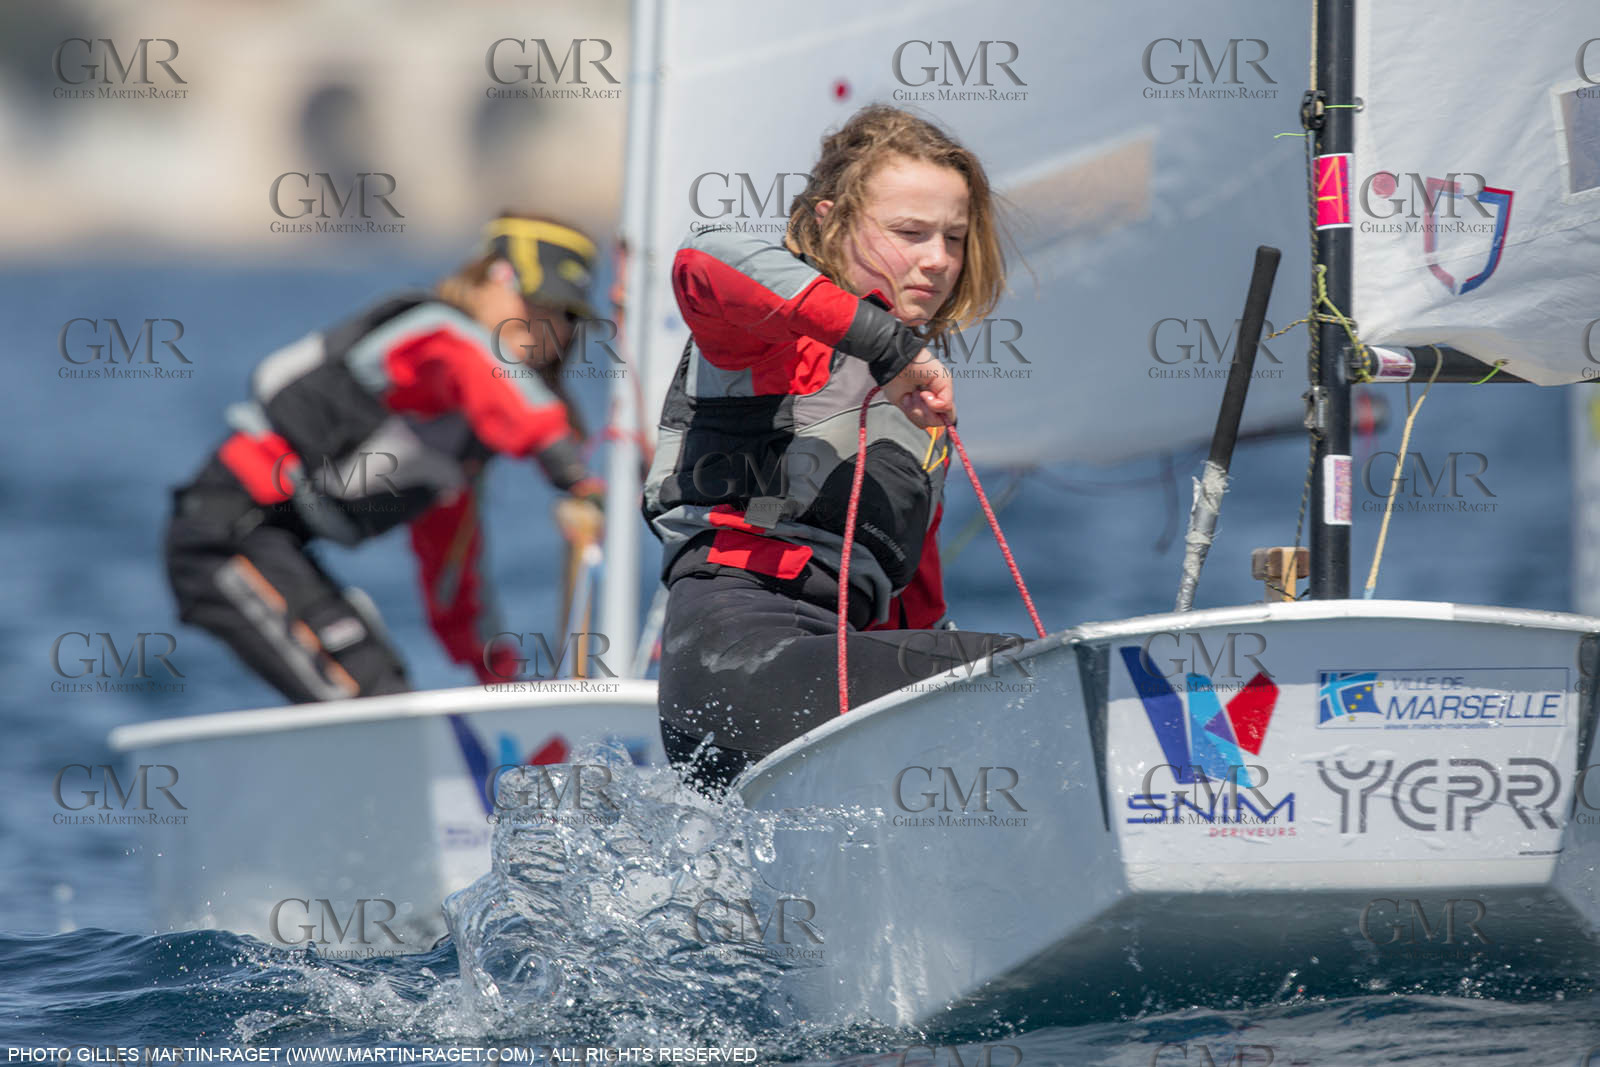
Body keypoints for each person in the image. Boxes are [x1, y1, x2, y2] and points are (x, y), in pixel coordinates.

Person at [642, 105, 1028, 794]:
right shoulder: (765, 334)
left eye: (955, 237)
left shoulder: (919, 413)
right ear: (828, 222)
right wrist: (886, 345)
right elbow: (703, 258)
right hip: (737, 653)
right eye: (909, 232)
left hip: (830, 666)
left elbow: (917, 617)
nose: (937, 259)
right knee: (1031, 678)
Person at [165, 214, 607, 703]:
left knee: (384, 686)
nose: (549, 326)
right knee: (367, 691)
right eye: (533, 303)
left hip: (276, 546)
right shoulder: (433, 335)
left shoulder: (460, 449)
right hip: (221, 537)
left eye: (565, 316)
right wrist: (572, 474)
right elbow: (475, 366)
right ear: (487, 282)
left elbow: (452, 572)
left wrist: (500, 679)